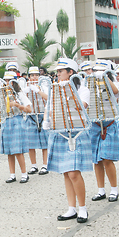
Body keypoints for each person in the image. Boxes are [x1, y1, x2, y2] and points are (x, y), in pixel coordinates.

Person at [43, 58, 91, 223]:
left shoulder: (82, 89)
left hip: (76, 133)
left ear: (71, 72)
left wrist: (67, 94)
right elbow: (49, 111)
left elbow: (82, 106)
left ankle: (82, 208)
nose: (58, 75)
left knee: (74, 173)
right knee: (66, 172)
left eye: (61, 71)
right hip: (60, 132)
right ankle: (71, 208)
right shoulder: (55, 90)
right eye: (57, 72)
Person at [87, 61, 119, 203]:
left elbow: (116, 92)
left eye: (101, 71)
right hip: (94, 124)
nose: (97, 73)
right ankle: (101, 190)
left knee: (107, 158)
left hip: (109, 123)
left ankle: (114, 189)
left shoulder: (114, 83)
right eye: (96, 70)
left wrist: (104, 77)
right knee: (97, 159)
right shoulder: (90, 84)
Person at [1, 72, 32, 183]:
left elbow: (29, 109)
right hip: (6, 121)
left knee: (18, 150)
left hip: (17, 120)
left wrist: (18, 105)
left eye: (10, 81)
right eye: (6, 81)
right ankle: (12, 174)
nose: (8, 83)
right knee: (9, 151)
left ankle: (24, 173)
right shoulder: (2, 94)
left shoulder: (20, 94)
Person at [23, 67, 49, 176]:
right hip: (31, 116)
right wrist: (26, 90)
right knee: (30, 142)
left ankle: (45, 165)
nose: (35, 77)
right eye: (32, 75)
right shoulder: (25, 87)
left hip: (42, 115)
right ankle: (33, 165)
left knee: (45, 142)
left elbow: (48, 97)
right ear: (29, 77)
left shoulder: (43, 85)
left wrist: (38, 90)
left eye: (37, 75)